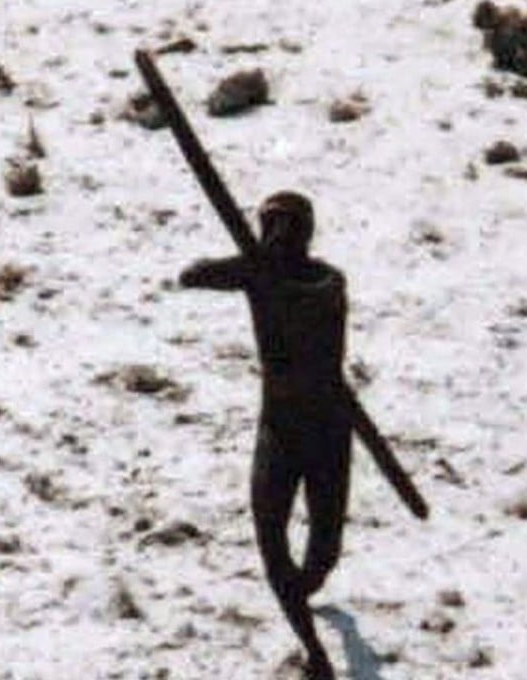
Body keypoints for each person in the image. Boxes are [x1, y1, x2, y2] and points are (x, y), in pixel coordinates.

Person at [180, 191, 350, 679]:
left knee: (323, 552)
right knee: (271, 538)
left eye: (286, 228)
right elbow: (193, 275)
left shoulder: (327, 282)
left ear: (305, 236)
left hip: (326, 428)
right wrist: (250, 267)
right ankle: (314, 652)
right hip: (280, 429)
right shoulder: (259, 275)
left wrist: (256, 267)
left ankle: (302, 592)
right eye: (270, 227)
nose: (277, 237)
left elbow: (308, 295)